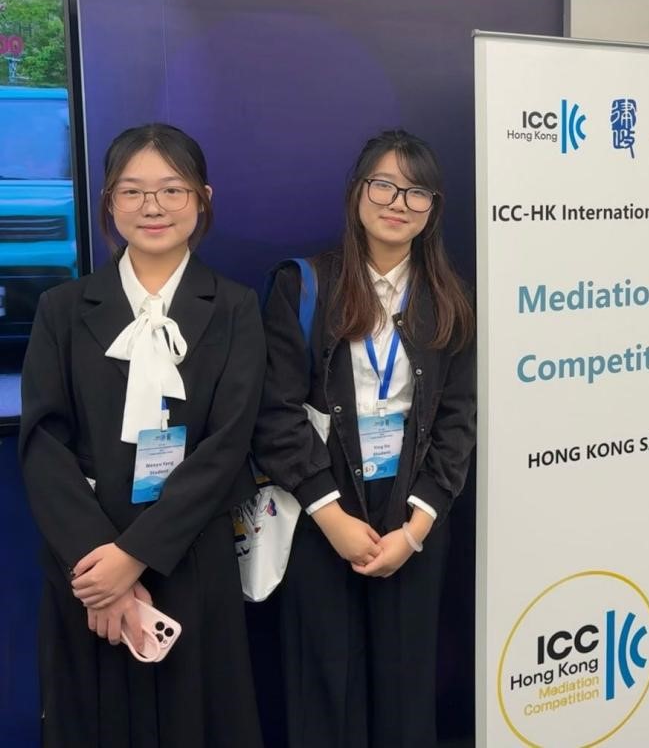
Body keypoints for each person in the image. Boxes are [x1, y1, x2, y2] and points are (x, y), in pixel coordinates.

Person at [19, 123, 265, 748]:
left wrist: (135, 556)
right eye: (132, 191)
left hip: (192, 552)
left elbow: (228, 444)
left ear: (203, 198)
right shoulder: (62, 308)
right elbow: (43, 444)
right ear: (109, 202)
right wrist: (100, 566)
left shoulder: (235, 307)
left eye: (172, 189)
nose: (152, 206)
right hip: (88, 564)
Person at [252, 128, 475, 748]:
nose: (398, 202)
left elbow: (458, 419)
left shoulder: (450, 299)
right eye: (384, 185)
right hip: (321, 507)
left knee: (407, 689)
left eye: (416, 192)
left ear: (433, 209)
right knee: (326, 686)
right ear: (357, 192)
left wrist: (416, 530)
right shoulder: (304, 285)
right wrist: (332, 518)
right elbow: (274, 414)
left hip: (411, 510)